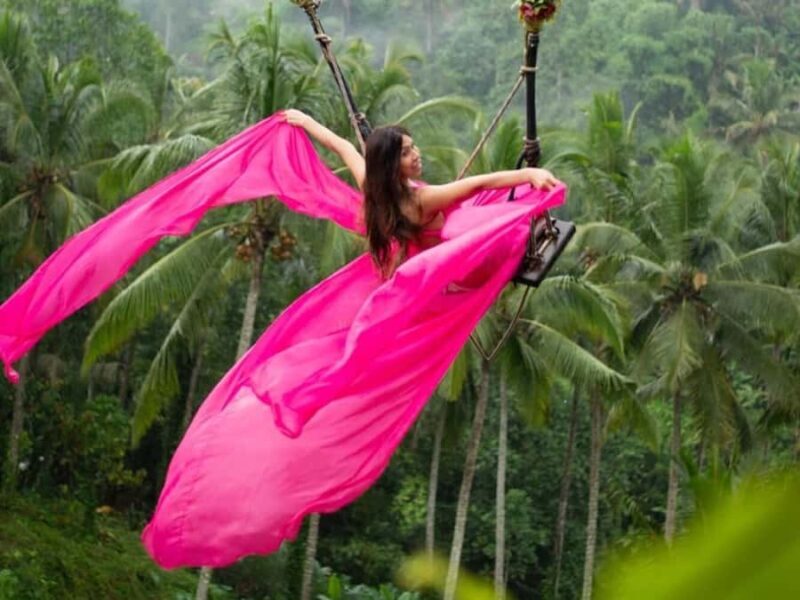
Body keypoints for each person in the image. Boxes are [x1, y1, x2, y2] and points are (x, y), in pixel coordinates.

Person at [282, 109, 559, 276]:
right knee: (509, 216)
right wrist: (528, 174)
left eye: (413, 147)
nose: (416, 155)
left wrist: (306, 121)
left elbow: (343, 146)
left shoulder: (372, 185)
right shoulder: (421, 200)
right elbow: (479, 184)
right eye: (405, 153)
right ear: (391, 165)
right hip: (463, 264)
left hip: (428, 253)